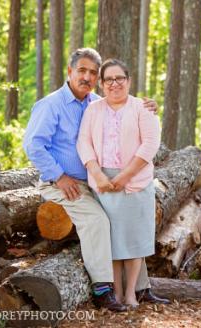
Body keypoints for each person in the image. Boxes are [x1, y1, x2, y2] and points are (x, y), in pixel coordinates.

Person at [23, 48, 170, 312]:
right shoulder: (51, 104)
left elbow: (124, 111)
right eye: (82, 70)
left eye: (93, 72)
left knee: (125, 223)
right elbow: (34, 146)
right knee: (98, 221)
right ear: (70, 71)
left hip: (94, 182)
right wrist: (60, 176)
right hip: (64, 183)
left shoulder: (93, 103)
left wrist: (150, 106)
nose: (87, 76)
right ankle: (104, 289)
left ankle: (139, 288)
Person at [77, 58, 160, 309]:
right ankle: (117, 293)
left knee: (135, 239)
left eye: (119, 78)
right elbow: (84, 142)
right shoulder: (94, 109)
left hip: (135, 179)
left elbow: (150, 145)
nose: (115, 84)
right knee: (112, 240)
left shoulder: (143, 108)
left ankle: (132, 294)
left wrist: (123, 177)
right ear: (101, 84)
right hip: (102, 181)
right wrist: (98, 174)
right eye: (109, 79)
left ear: (128, 80)